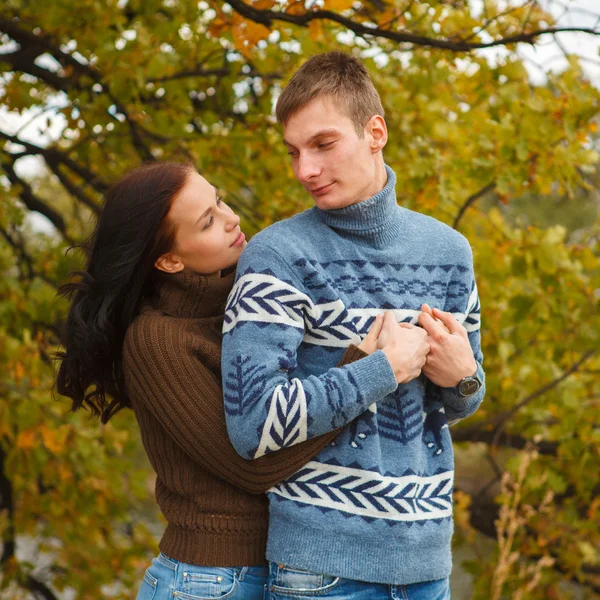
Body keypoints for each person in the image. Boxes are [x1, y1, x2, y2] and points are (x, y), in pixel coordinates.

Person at [55, 161, 419, 600]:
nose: (232, 219)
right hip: (206, 581)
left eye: (220, 200)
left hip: (273, 570)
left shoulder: (244, 303)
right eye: (208, 221)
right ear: (169, 260)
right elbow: (255, 464)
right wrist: (370, 370)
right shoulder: (156, 341)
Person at [221, 52, 485, 599]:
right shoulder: (278, 256)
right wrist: (380, 370)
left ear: (375, 132)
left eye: (323, 145)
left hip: (428, 566)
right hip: (320, 571)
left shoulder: (449, 254)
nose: (304, 171)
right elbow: (251, 424)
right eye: (294, 152)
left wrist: (464, 379)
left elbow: (459, 404)